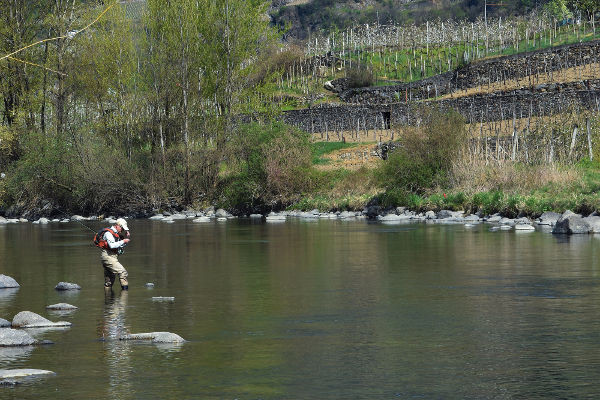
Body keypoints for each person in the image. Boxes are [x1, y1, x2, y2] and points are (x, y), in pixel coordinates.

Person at [96, 218, 131, 290]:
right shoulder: (108, 233)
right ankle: (124, 296)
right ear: (117, 226)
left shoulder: (115, 234)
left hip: (111, 257)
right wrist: (123, 241)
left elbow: (119, 245)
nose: (123, 230)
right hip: (108, 257)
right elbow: (112, 245)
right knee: (123, 272)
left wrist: (125, 239)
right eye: (122, 228)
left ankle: (108, 299)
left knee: (109, 281)